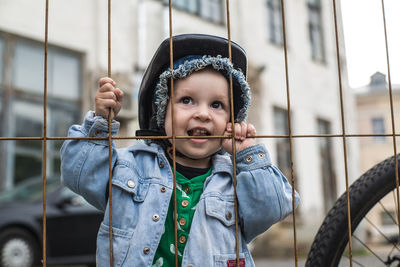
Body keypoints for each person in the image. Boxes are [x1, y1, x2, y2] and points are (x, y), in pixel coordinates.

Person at [61, 34, 299, 267]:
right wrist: (100, 124)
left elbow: (273, 208)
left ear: (232, 120)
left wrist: (247, 155)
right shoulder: (131, 166)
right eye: (187, 100)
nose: (203, 114)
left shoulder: (237, 180)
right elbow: (80, 176)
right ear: (162, 111)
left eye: (217, 105)